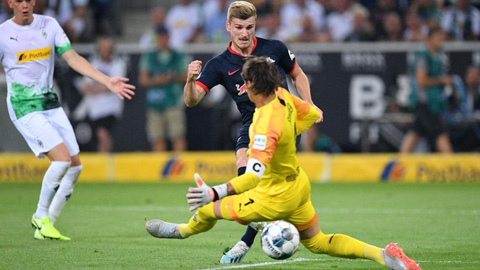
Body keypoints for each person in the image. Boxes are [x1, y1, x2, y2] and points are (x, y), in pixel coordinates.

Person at [146, 56, 422, 270]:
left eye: (244, 82)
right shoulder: (283, 96)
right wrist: (286, 138)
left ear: (252, 86)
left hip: (273, 196)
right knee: (316, 242)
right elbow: (312, 114)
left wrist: (214, 192)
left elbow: (253, 177)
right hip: (297, 185)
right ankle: (384, 256)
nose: (242, 87)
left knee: (208, 211)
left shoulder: (266, 124)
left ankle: (180, 231)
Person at [183, 1, 322, 263]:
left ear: (255, 26)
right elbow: (192, 100)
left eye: (249, 27)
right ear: (228, 26)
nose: (244, 33)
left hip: (281, 122)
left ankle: (244, 242)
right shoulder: (219, 64)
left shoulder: (275, 48)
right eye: (238, 27)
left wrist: (309, 104)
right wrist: (190, 80)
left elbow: (299, 75)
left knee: (259, 180)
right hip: (251, 123)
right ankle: (254, 228)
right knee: (245, 173)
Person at [0, 0, 135, 240]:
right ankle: (40, 217)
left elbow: (72, 58)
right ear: (10, 2)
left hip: (50, 103)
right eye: (18, 0)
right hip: (24, 106)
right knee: (61, 161)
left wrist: (106, 80)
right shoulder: (3, 34)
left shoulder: (49, 25)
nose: (24, 5)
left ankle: (47, 225)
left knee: (75, 167)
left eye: (28, 0)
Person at [400, 27, 453, 153]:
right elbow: (421, 81)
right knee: (440, 132)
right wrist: (441, 80)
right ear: (429, 39)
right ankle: (452, 165)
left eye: (442, 38)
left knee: (415, 131)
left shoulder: (437, 56)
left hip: (431, 101)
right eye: (437, 38)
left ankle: (400, 161)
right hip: (425, 101)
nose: (440, 41)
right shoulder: (423, 57)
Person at [139, 26, 188, 152]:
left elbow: (187, 76)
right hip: (154, 103)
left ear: (168, 37)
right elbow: (143, 80)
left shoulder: (178, 55)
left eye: (164, 36)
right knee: (157, 137)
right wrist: (157, 81)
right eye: (160, 37)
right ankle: (160, 169)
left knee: (177, 135)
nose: (162, 39)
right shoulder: (149, 56)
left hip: (173, 101)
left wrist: (172, 77)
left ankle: (180, 168)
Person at [81, 37, 127, 152]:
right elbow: (86, 87)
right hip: (96, 109)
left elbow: (113, 87)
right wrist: (104, 86)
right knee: (99, 136)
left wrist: (97, 88)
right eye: (102, 48)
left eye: (107, 48)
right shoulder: (93, 64)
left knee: (103, 134)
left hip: (111, 108)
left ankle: (105, 159)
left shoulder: (117, 65)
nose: (105, 51)